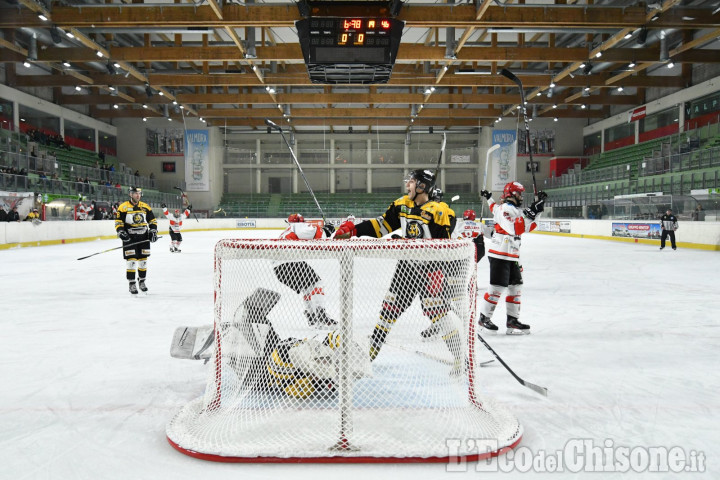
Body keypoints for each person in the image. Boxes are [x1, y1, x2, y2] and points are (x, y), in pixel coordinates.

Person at [333, 169, 467, 374]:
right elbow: (382, 226)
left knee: (437, 312)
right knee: (389, 309)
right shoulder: (402, 204)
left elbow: (445, 246)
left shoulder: (441, 211)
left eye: (412, 182)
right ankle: (371, 353)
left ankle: (460, 358)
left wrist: (409, 243)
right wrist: (355, 230)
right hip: (406, 268)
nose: (408, 185)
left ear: (422, 186)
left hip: (431, 270)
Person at [170, 288, 370, 400]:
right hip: (270, 364)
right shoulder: (329, 365)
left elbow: (293, 381)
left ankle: (227, 346)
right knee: (254, 326)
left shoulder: (321, 373)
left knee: (251, 336)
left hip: (259, 376)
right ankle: (233, 338)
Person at [477, 182, 547, 335]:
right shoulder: (504, 209)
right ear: (512, 194)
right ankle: (484, 318)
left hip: (512, 255)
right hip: (500, 254)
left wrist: (537, 210)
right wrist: (531, 211)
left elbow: (528, 227)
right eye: (519, 193)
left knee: (516, 287)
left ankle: (512, 320)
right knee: (496, 288)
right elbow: (514, 228)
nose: (521, 197)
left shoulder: (514, 210)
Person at [274, 213, 337, 328]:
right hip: (290, 264)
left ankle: (312, 316)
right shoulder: (298, 226)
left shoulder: (286, 231)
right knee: (317, 283)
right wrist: (327, 229)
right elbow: (317, 235)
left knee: (307, 288)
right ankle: (321, 315)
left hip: (279, 270)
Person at [115, 186, 158, 294]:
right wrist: (121, 231)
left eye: (139, 193)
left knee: (143, 261)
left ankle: (142, 281)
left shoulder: (145, 207)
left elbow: (152, 221)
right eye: (135, 193)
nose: (138, 195)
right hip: (129, 238)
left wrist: (153, 231)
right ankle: (132, 283)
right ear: (130, 194)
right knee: (131, 261)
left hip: (143, 237)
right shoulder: (123, 207)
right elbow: (118, 222)